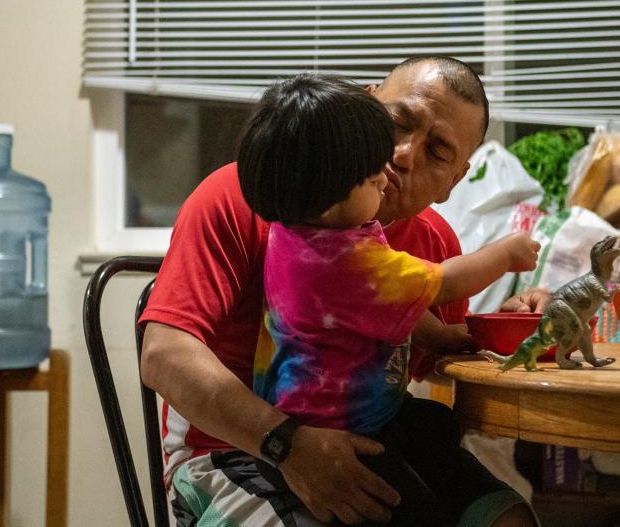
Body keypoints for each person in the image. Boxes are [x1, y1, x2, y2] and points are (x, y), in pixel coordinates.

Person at [139, 56, 549, 526]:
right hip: (234, 451)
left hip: (363, 439)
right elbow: (163, 355)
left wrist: (513, 322)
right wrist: (287, 445)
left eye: (437, 152)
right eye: (398, 122)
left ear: (454, 181)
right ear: (367, 103)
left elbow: (437, 356)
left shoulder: (435, 242)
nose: (403, 155)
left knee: (508, 518)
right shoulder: (246, 194)